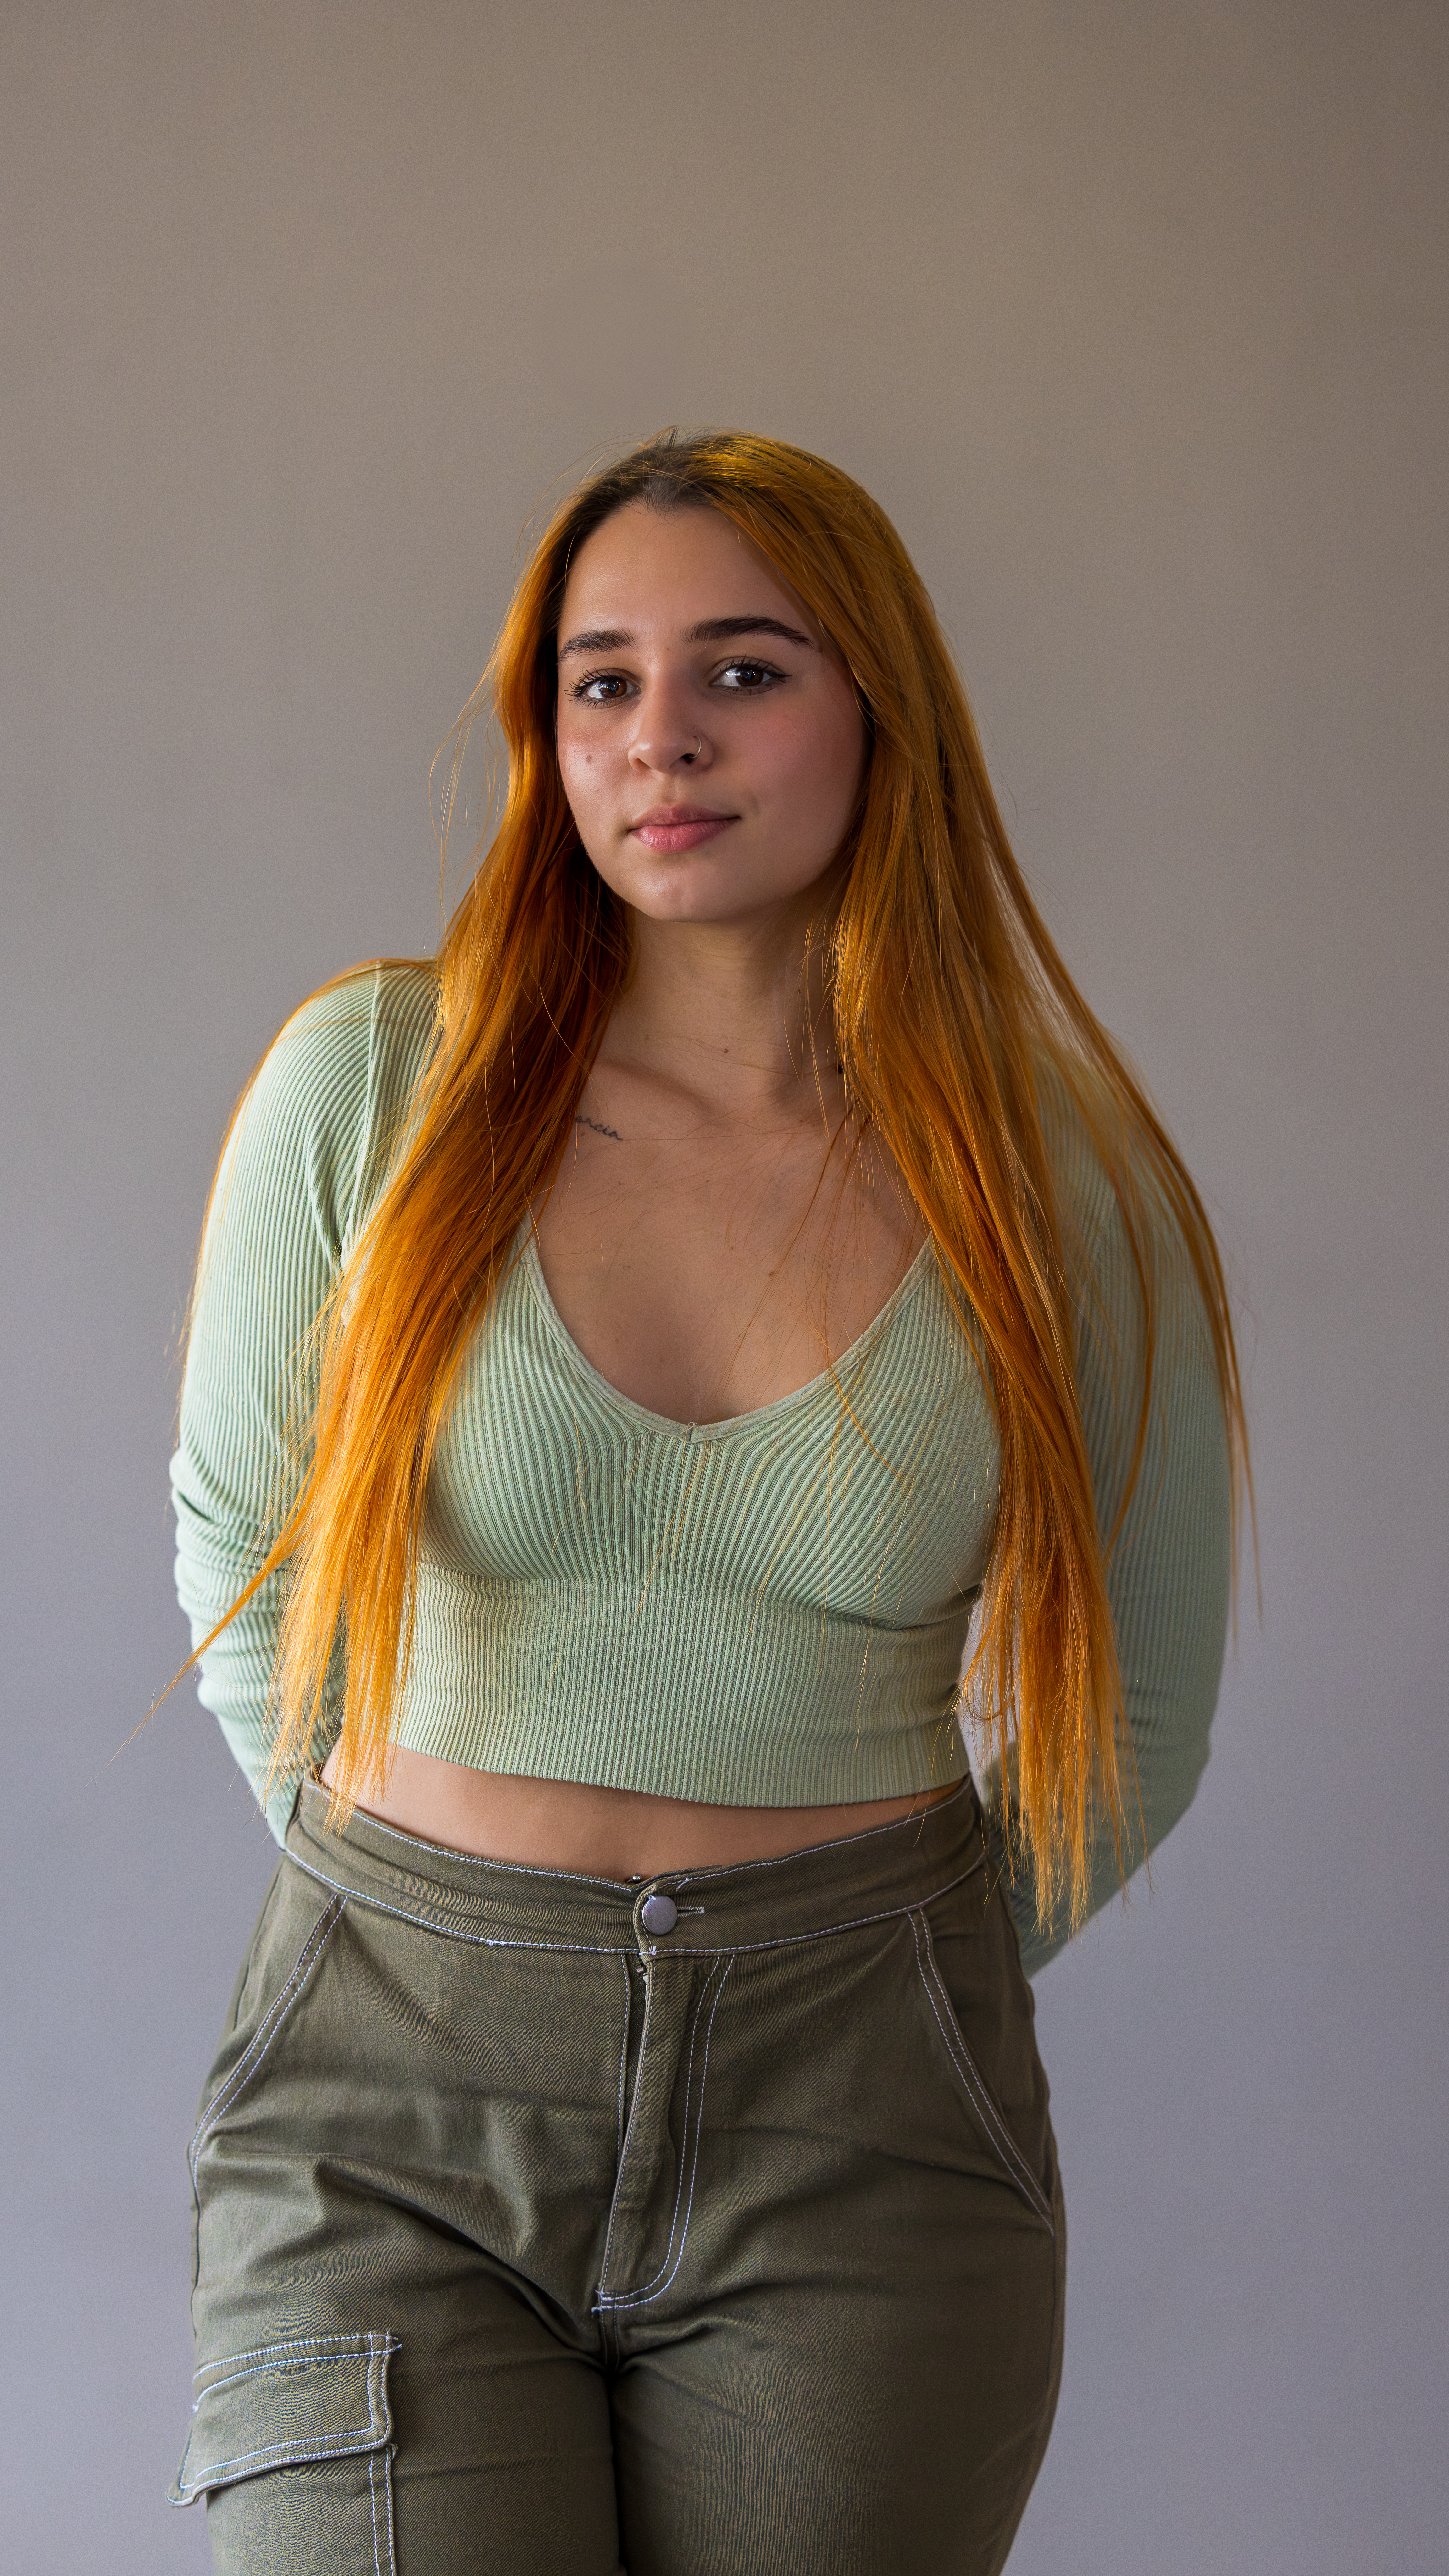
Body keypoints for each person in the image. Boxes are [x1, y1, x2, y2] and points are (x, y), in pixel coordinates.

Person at [166, 428, 1245, 2574]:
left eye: (743, 671)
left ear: (882, 715)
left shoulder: (1067, 1185)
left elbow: (1143, 1720)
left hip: (866, 2128)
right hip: (391, 2101)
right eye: (599, 680)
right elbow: (237, 1553)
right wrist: (442, 1919)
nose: (659, 733)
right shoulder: (376, 1087)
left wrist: (869, 1964)